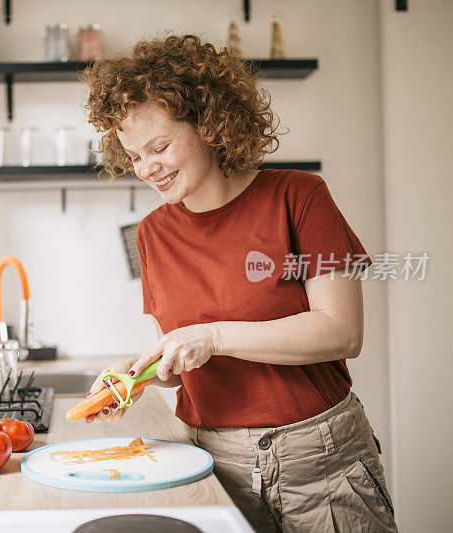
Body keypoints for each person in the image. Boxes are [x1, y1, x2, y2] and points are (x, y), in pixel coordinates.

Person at [81, 34, 397, 533]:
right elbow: (189, 360)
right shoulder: (152, 234)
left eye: (160, 146)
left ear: (208, 123)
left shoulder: (300, 196)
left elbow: (342, 332)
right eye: (134, 156)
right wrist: (136, 377)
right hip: (212, 464)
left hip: (323, 464)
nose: (147, 169)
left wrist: (214, 335)